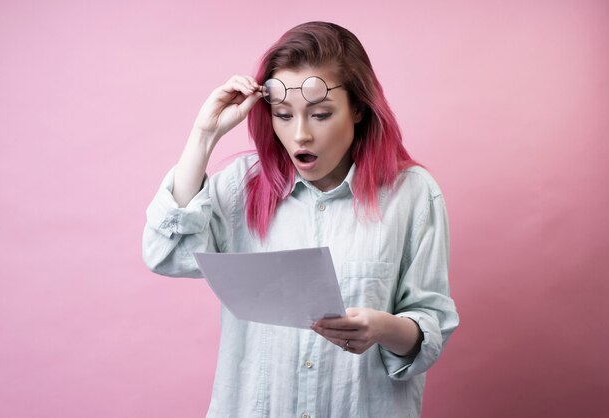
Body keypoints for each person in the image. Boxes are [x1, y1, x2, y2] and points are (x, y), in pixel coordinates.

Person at [143, 21, 459, 418]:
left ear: (358, 108)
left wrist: (383, 328)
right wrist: (204, 135)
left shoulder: (412, 194)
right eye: (283, 115)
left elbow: (431, 326)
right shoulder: (242, 187)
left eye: (321, 114)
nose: (300, 135)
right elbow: (165, 254)